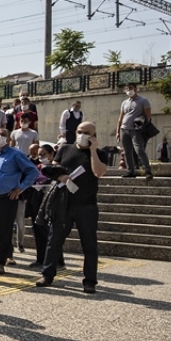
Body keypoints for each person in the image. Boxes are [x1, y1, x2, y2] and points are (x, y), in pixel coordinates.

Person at [37, 121, 109, 293]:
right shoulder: (65, 149)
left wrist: (92, 150)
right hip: (63, 203)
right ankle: (47, 274)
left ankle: (90, 281)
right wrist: (60, 176)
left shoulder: (99, 153)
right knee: (54, 241)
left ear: (93, 135)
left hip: (87, 205)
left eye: (86, 132)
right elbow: (54, 168)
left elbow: (99, 172)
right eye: (79, 131)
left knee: (89, 245)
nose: (82, 134)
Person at [0, 127, 40, 274]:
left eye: (3, 135)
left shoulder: (16, 154)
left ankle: (0, 261)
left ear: (9, 138)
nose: (0, 137)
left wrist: (20, 189)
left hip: (7, 198)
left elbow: (32, 172)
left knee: (4, 231)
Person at [116, 82, 153, 179]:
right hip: (124, 129)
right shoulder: (124, 103)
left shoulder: (143, 100)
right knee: (127, 152)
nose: (128, 90)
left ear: (136, 89)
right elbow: (120, 117)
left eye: (130, 88)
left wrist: (143, 128)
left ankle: (148, 171)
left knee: (139, 150)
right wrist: (117, 131)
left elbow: (148, 116)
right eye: (127, 89)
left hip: (136, 130)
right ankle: (130, 171)